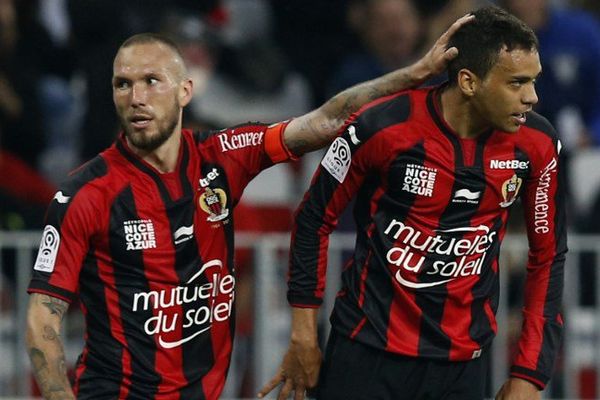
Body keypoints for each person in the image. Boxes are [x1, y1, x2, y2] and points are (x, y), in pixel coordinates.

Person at [24, 16, 471, 400]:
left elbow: (327, 121)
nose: (135, 97)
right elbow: (44, 312)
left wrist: (412, 75)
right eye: (123, 84)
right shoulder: (85, 192)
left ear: (185, 91)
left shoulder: (222, 157)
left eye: (151, 81)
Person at [260, 6, 566, 400]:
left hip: (463, 365)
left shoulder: (538, 145)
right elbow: (313, 218)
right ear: (470, 82)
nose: (532, 97)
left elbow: (549, 257)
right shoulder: (383, 127)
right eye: (517, 83)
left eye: (534, 81)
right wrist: (303, 335)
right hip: (366, 353)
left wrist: (530, 372)